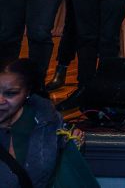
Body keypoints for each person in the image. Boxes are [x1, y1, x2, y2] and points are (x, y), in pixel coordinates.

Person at [0, 58, 98, 188]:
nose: (0, 100)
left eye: (10, 93)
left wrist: (72, 142)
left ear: (28, 92)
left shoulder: (48, 123)